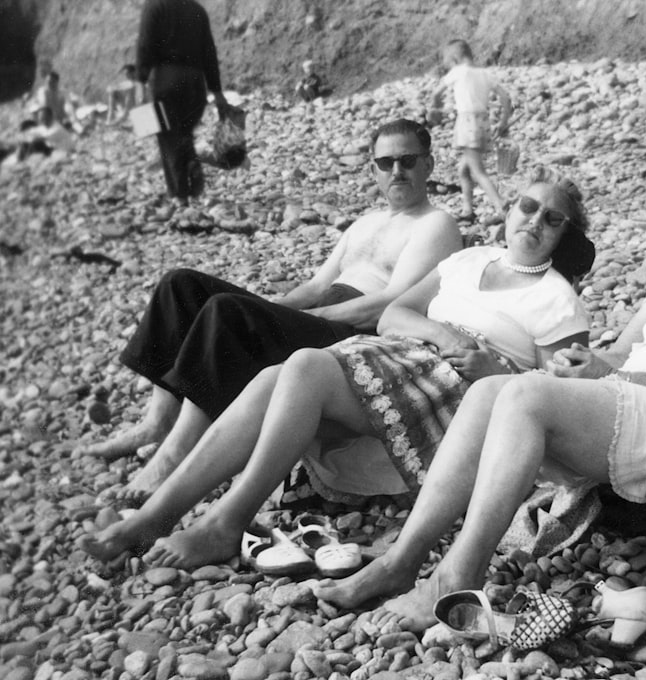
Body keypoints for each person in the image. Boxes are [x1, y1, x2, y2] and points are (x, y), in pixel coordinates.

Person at [319, 126, 646, 629]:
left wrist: (616, 374)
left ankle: (457, 576)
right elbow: (622, 351)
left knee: (525, 395)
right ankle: (400, 561)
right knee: (493, 388)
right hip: (644, 397)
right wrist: (585, 365)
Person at [78, 167, 596, 571]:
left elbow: (554, 396)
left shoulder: (558, 300)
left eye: (552, 219)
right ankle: (157, 514)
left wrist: (489, 369)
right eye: (529, 206)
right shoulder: (468, 261)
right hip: (408, 355)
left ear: (563, 236)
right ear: (510, 210)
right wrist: (442, 332)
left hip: (459, 395)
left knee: (303, 364)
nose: (534, 221)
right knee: (268, 379)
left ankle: (226, 520)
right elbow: (395, 313)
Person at [75, 119, 463, 497]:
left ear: (428, 164)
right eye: (385, 163)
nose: (396, 171)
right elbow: (314, 286)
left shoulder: (435, 223)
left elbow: (388, 303)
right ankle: (157, 421)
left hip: (354, 338)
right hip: (321, 315)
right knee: (181, 285)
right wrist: (269, 307)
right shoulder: (366, 222)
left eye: (407, 160)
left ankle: (174, 455)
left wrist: (302, 317)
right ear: (373, 169)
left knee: (226, 312)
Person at [136, 0, 234, 206]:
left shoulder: (154, 6)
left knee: (169, 137)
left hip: (165, 79)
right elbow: (209, 51)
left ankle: (180, 196)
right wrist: (216, 91)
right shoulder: (197, 9)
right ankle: (190, 165)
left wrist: (141, 81)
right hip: (195, 82)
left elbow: (145, 43)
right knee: (184, 132)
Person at [429, 39, 513, 227]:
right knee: (464, 170)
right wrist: (503, 122)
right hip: (483, 122)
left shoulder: (458, 72)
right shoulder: (484, 73)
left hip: (467, 123)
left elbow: (436, 94)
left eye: (447, 62)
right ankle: (468, 211)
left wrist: (433, 111)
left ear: (455, 58)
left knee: (478, 171)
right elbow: (505, 98)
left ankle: (502, 207)